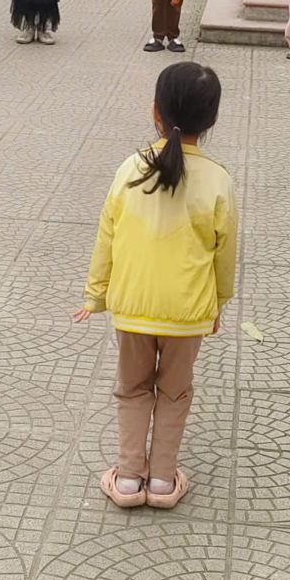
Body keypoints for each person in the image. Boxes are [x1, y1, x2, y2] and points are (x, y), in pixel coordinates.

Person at [76, 61, 235, 510]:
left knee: (132, 387)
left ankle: (128, 479)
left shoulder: (130, 169)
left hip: (132, 307)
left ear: (155, 112)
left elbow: (107, 235)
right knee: (175, 391)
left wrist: (96, 294)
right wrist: (218, 303)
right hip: (188, 313)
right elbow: (225, 252)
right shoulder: (218, 179)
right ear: (212, 120)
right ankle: (163, 481)